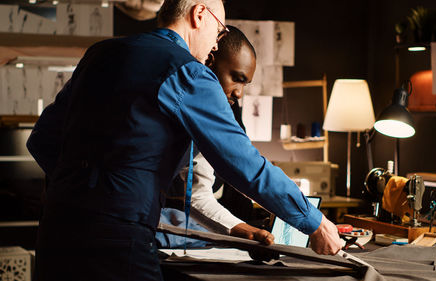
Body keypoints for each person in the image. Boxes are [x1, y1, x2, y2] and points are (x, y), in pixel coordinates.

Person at [27, 0, 342, 280]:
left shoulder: (100, 54)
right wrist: (314, 222)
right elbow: (243, 164)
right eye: (218, 32)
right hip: (117, 240)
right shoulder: (187, 72)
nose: (216, 47)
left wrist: (82, 190)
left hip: (55, 231)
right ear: (199, 14)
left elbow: (42, 139)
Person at [156, 25, 272, 248]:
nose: (239, 93)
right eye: (236, 78)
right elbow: (252, 171)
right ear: (208, 62)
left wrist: (243, 230)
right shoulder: (171, 93)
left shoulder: (225, 108)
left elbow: (199, 195)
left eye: (245, 83)